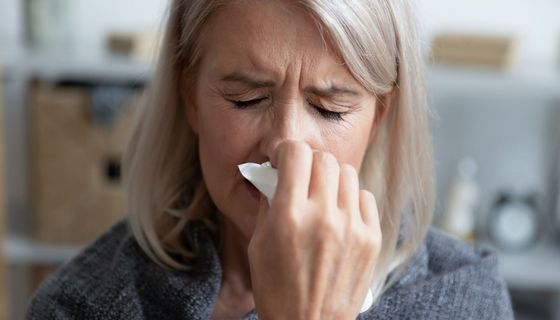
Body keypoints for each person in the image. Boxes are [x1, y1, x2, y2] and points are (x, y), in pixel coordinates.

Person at [28, 0, 514, 319]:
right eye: (245, 99)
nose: (286, 145)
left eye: (330, 108)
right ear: (190, 96)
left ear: (378, 116)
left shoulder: (464, 298)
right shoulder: (82, 306)